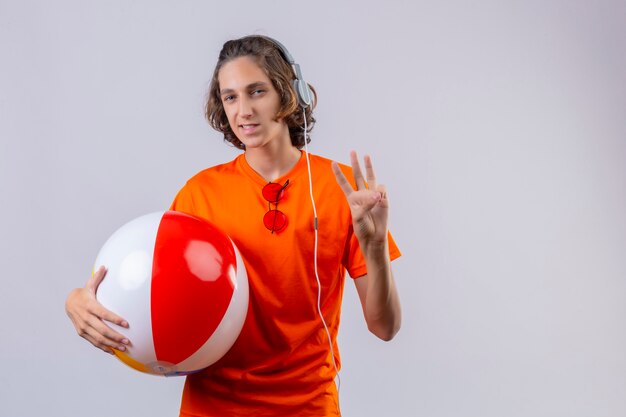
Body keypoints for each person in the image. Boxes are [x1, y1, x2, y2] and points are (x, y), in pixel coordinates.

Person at [65, 35, 402, 417]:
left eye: (256, 91)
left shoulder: (341, 189)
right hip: (211, 406)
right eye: (230, 97)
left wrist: (375, 250)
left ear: (290, 94)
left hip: (308, 406)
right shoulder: (200, 193)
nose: (243, 110)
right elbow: (149, 287)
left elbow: (385, 327)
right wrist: (77, 300)